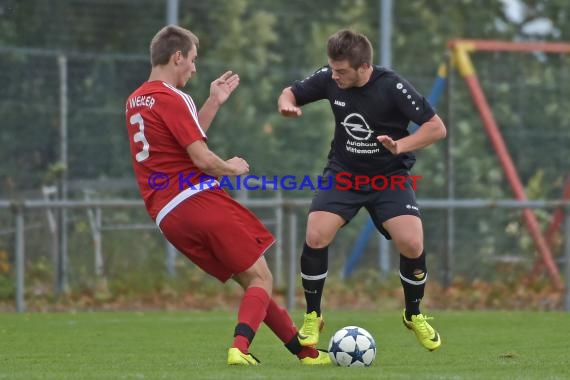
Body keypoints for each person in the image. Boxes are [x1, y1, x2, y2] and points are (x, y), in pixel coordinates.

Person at [125, 25, 330, 366]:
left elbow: (183, 140)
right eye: (192, 60)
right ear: (177, 57)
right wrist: (232, 167)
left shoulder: (135, 100)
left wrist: (213, 102)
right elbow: (201, 159)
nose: (194, 68)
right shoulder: (173, 97)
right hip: (198, 200)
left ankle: (304, 352)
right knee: (263, 279)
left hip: (168, 216)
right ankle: (240, 348)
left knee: (253, 282)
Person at [277, 29, 446, 351]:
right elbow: (290, 92)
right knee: (315, 235)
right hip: (344, 174)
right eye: (332, 69)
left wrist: (400, 146)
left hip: (389, 178)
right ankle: (313, 315)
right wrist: (287, 105)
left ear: (364, 67)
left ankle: (414, 314)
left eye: (342, 71)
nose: (334, 75)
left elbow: (436, 127)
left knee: (412, 242)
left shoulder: (392, 86)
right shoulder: (331, 77)